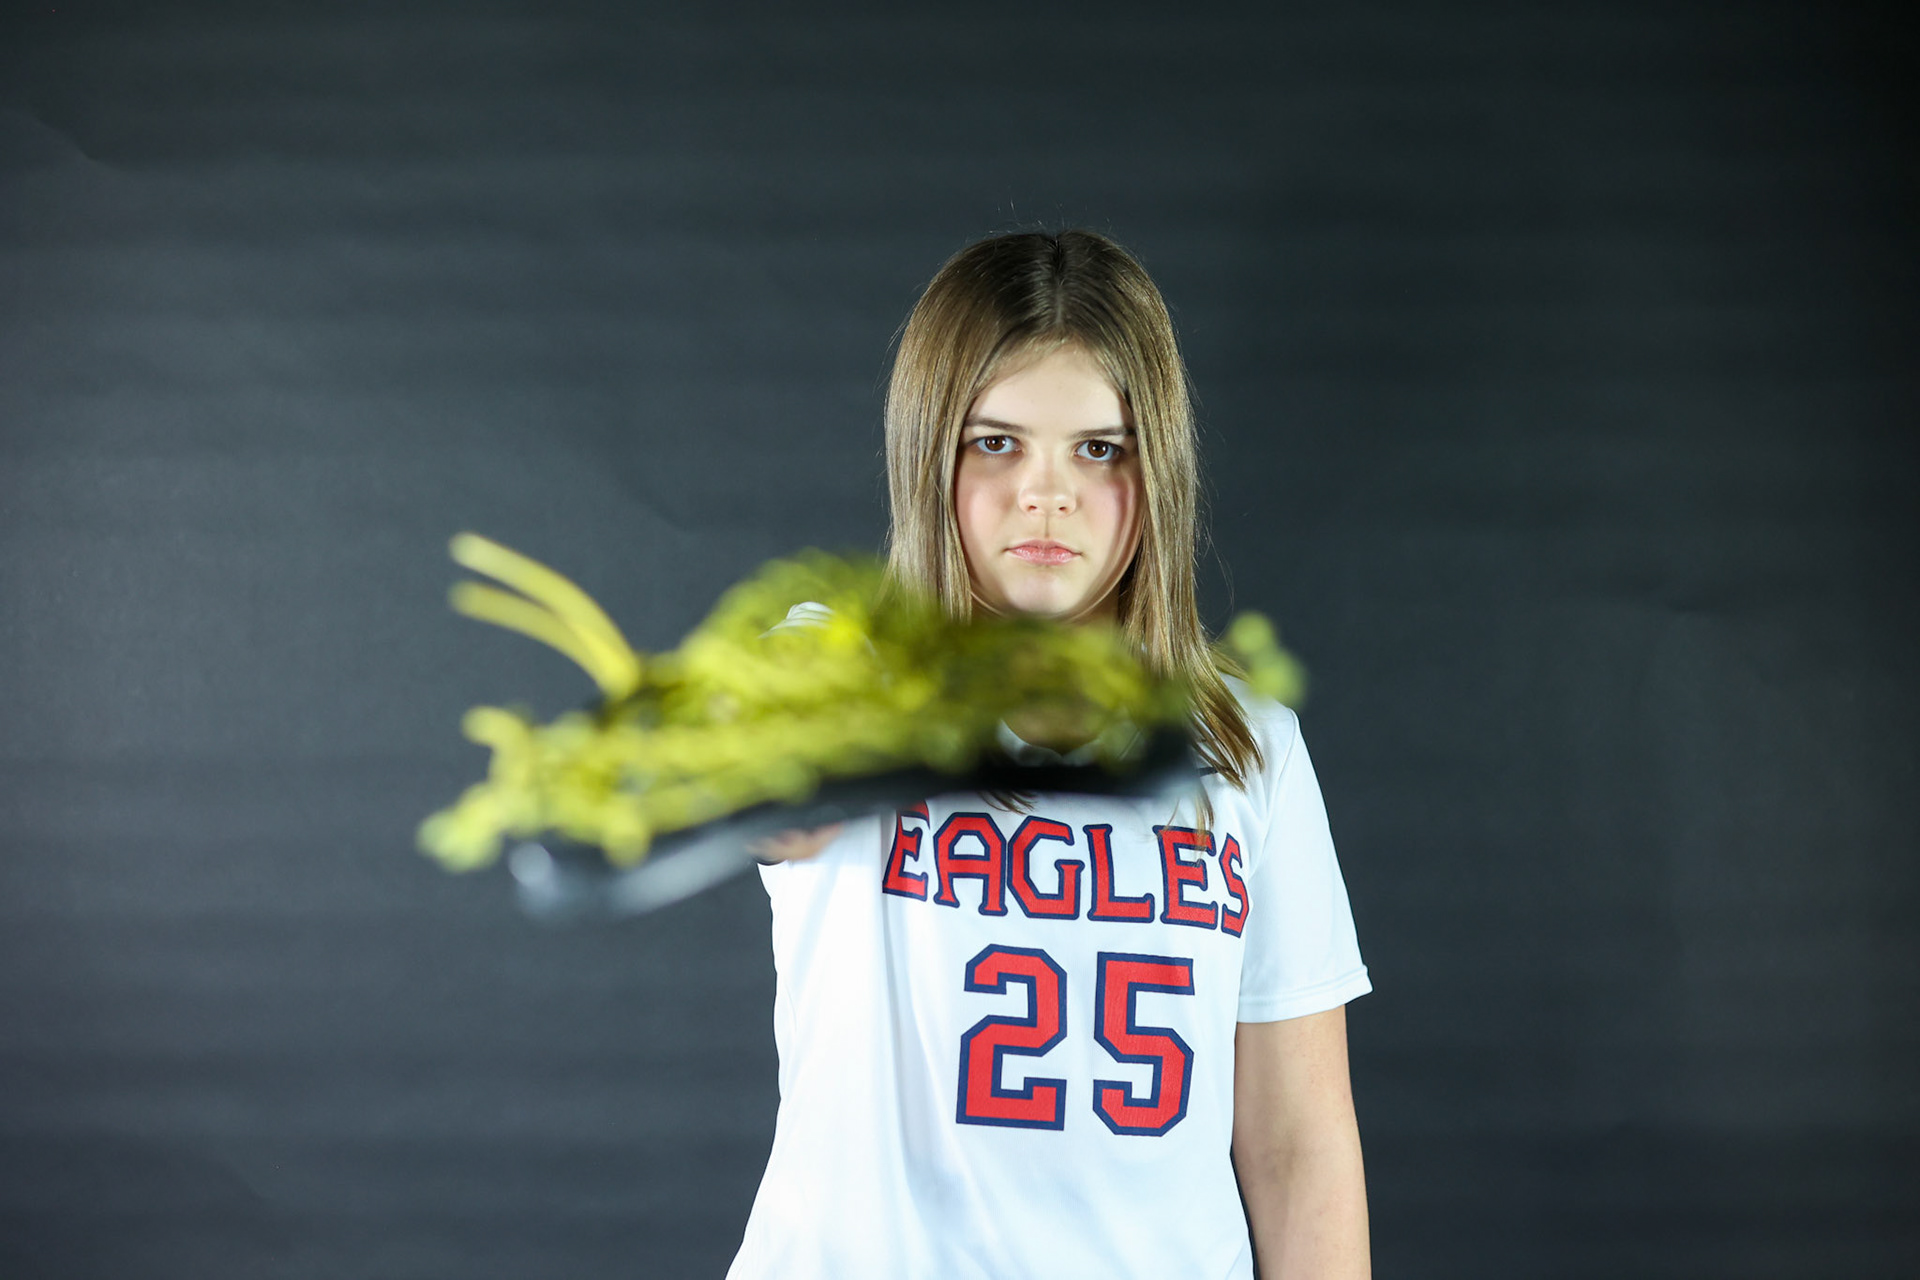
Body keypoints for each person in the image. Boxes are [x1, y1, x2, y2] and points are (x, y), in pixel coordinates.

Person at [729, 230, 1372, 1279]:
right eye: (996, 442)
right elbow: (764, 786)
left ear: (1154, 463)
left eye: (1098, 447)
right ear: (926, 447)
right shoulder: (839, 664)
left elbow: (1300, 1145)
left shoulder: (1244, 746)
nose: (1047, 491)